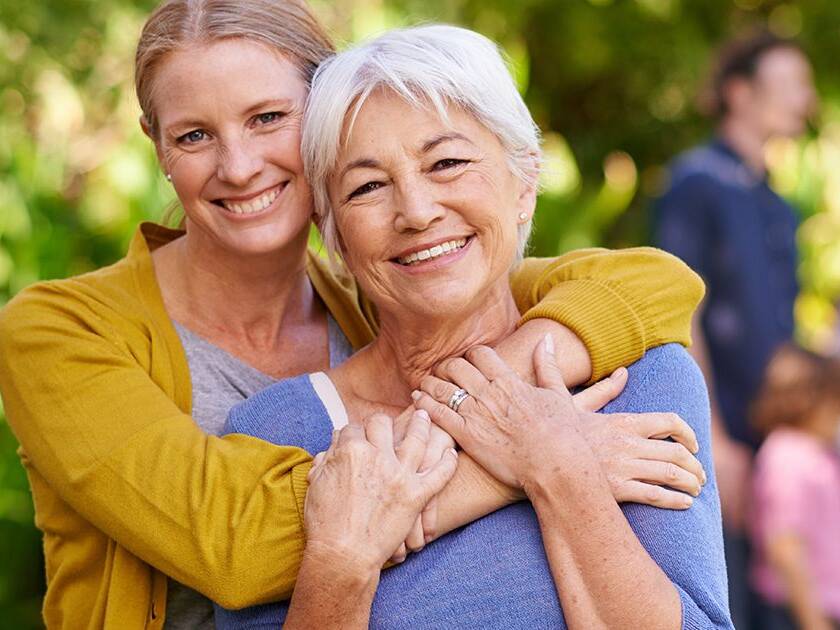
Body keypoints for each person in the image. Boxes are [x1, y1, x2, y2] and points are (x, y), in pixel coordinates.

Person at [0, 1, 708, 627]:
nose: (239, 165)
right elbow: (238, 551)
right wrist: (540, 455)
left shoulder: (387, 294)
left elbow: (650, 282)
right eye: (194, 136)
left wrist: (510, 398)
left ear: (323, 128)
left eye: (268, 118)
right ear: (158, 149)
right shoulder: (59, 331)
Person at [216, 25, 731, 629]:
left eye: (448, 163)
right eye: (368, 187)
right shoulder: (274, 430)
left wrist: (556, 466)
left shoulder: (642, 379)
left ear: (525, 185)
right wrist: (344, 559)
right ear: (333, 238)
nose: (416, 210)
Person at [654, 30, 817, 629]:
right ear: (739, 93)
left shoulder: (774, 198)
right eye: (791, 84)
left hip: (774, 438)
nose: (806, 98)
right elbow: (679, 312)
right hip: (718, 440)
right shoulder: (695, 183)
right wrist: (714, 438)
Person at [750, 345, 840, 630]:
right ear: (809, 400)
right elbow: (786, 546)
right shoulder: (788, 456)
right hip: (795, 613)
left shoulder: (815, 453)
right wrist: (813, 621)